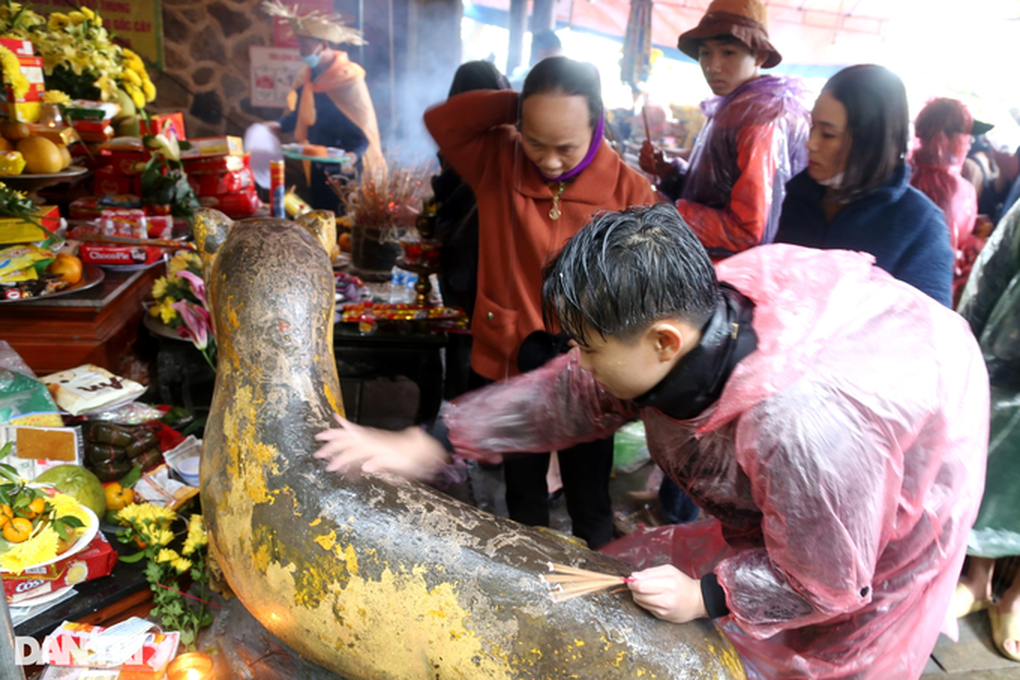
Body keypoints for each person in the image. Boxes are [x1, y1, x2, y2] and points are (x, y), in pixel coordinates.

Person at [315, 203, 988, 679]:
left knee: (824, 657)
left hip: (884, 501)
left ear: (665, 341)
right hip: (824, 460)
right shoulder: (686, 312)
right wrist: (433, 440)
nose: (577, 361)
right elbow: (570, 394)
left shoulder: (805, 429)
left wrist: (711, 596)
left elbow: (829, 577)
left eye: (588, 346)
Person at [420, 56, 657, 549]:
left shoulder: (630, 191)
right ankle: (527, 578)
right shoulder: (497, 160)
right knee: (522, 497)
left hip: (588, 372)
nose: (549, 162)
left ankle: (597, 576)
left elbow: (646, 292)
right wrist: (522, 104)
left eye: (565, 147)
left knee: (590, 497)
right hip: (512, 363)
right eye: (535, 142)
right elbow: (442, 120)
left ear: (596, 124)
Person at [638, 0, 810, 259]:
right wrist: (670, 172)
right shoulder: (736, 104)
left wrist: (661, 208)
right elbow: (715, 190)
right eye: (705, 53)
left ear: (759, 56)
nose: (712, 66)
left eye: (728, 52)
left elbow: (746, 231)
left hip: (728, 274)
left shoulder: (759, 117)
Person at [774, 64, 954, 307]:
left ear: (873, 141)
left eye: (828, 135)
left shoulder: (921, 225)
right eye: (813, 127)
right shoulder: (799, 196)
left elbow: (929, 325)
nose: (811, 144)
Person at [952, 200, 1020, 662]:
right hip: (1009, 357)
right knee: (994, 465)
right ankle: (978, 578)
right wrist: (967, 341)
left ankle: (1014, 596)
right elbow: (992, 272)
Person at [430, 60, 511, 398]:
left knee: (465, 347)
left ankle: (458, 410)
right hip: (486, 280)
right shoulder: (508, 143)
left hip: (468, 265)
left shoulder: (483, 147)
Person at [261, 0, 386, 210]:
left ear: (324, 45)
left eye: (306, 46)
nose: (302, 52)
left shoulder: (348, 78)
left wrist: (353, 155)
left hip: (347, 167)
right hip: (318, 164)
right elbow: (299, 116)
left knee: (345, 218)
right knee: (319, 216)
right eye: (300, 46)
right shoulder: (307, 78)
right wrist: (277, 125)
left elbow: (364, 130)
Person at [908, 98, 992, 304]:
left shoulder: (901, 172)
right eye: (965, 134)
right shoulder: (952, 188)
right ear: (943, 137)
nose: (969, 141)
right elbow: (944, 254)